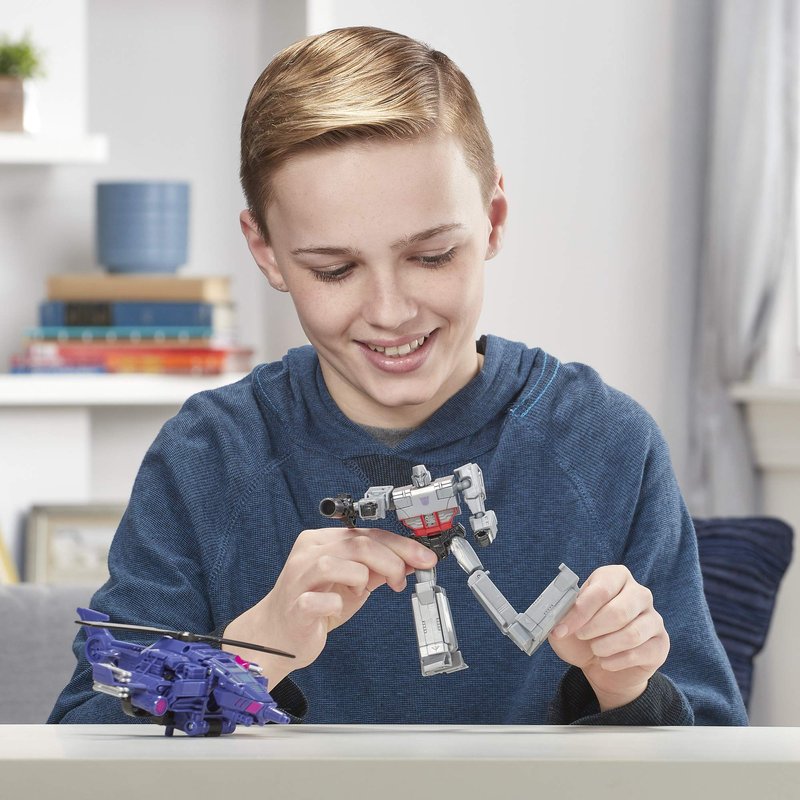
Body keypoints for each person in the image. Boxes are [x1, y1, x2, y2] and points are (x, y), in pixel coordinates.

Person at [49, 26, 747, 727]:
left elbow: (719, 750)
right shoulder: (207, 456)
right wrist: (249, 656)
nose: (389, 312)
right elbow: (79, 747)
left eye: (432, 256)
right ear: (266, 252)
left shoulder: (606, 444)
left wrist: (626, 688)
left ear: (494, 219)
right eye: (334, 269)